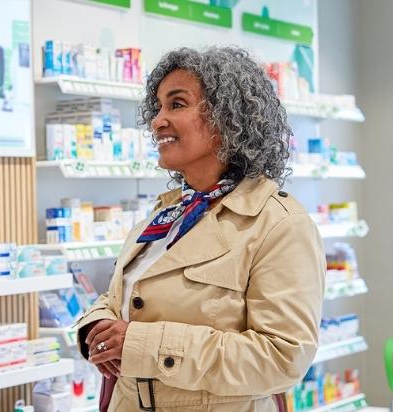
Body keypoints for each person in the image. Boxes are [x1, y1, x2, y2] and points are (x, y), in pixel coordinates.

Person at [75, 46, 325, 411]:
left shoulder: (279, 224)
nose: (158, 120)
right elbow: (123, 297)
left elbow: (282, 357)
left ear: (229, 117)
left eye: (176, 104)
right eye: (157, 107)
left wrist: (141, 344)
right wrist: (94, 329)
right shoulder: (167, 214)